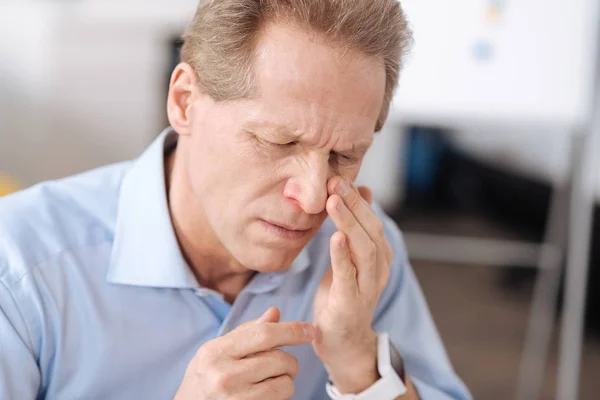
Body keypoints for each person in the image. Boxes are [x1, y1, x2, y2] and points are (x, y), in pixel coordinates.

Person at [0, 1, 471, 399]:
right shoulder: (19, 265)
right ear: (185, 101)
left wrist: (358, 361)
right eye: (278, 142)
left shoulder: (359, 254)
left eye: (345, 155)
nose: (310, 198)